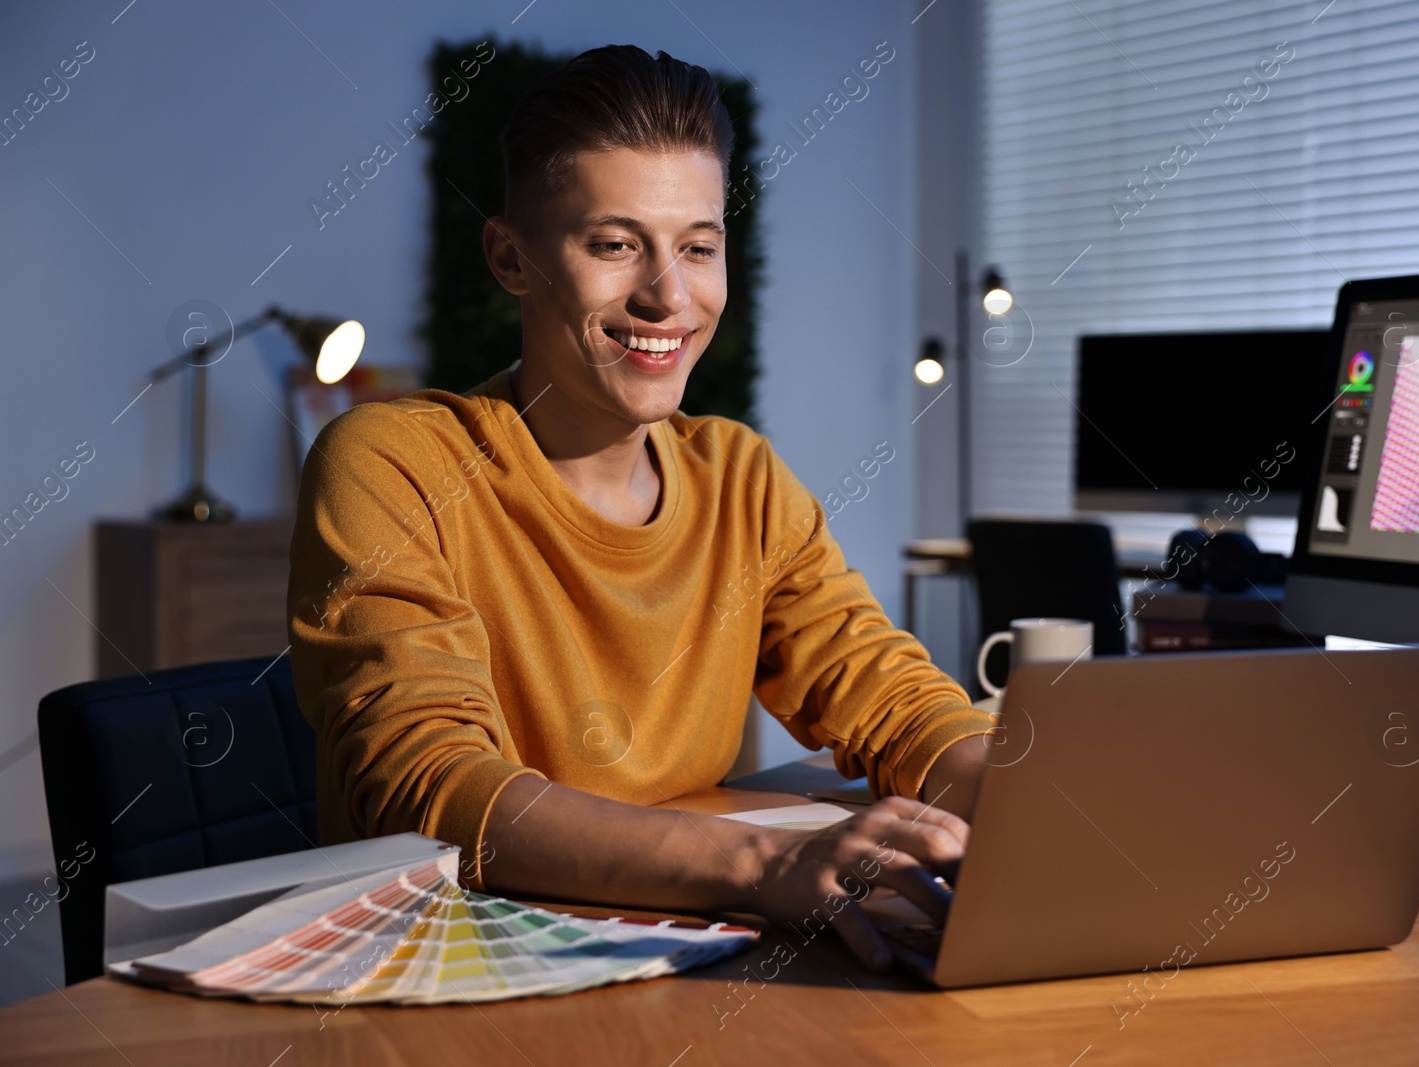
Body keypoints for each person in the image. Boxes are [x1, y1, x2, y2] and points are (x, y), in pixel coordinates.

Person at [287, 44, 994, 972]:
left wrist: (1028, 801)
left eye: (698, 247)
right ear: (511, 257)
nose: (668, 294)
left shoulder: (739, 476)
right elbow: (433, 791)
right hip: (448, 974)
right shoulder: (391, 461)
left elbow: (894, 701)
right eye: (615, 244)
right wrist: (761, 859)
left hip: (684, 958)